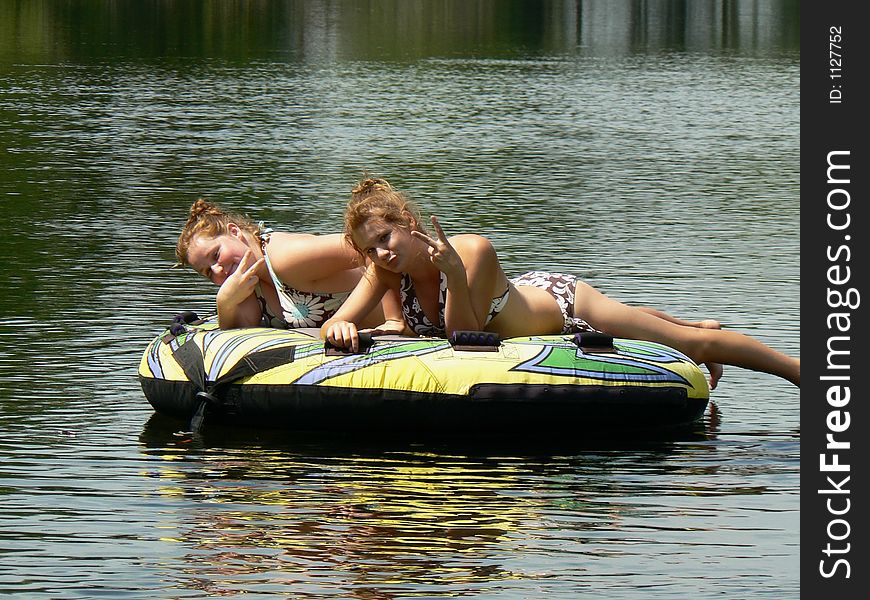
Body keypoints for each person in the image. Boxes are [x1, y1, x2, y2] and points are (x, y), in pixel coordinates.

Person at [321, 178, 800, 388]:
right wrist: (338, 329)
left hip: (562, 305)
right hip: (521, 306)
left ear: (407, 221)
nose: (383, 252)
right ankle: (696, 326)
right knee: (650, 325)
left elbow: (462, 338)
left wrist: (451, 274)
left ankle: (798, 371)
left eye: (387, 237)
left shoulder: (472, 252)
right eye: (372, 248)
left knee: (690, 343)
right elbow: (336, 323)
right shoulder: (384, 271)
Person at [175, 199, 408, 332]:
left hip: (417, 312)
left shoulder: (286, 257)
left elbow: (369, 249)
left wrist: (394, 320)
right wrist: (225, 302)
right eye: (207, 272)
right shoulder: (247, 284)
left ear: (235, 232)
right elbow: (235, 338)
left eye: (216, 255)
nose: (218, 270)